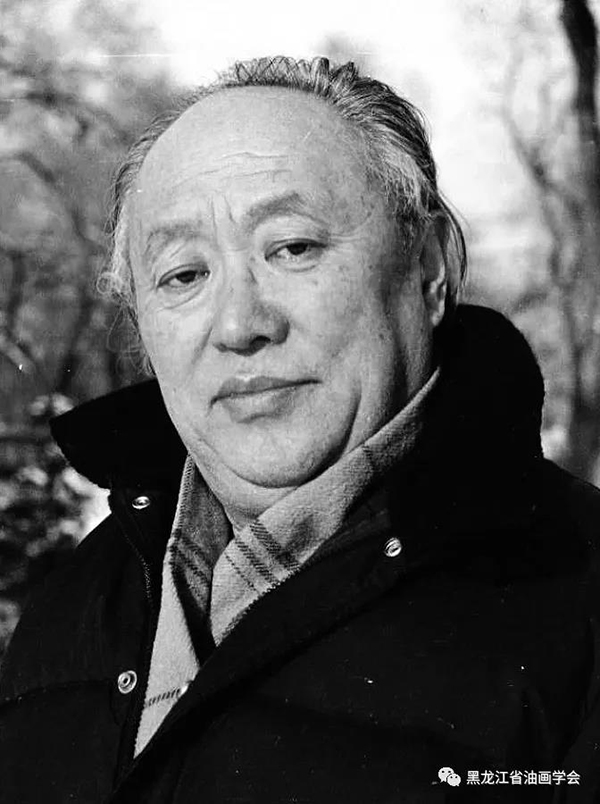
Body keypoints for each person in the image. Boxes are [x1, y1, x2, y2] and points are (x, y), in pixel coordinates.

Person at [1, 56, 600, 804]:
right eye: (184, 275)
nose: (240, 325)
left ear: (431, 267)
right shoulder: (74, 605)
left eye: (293, 248)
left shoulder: (580, 608)